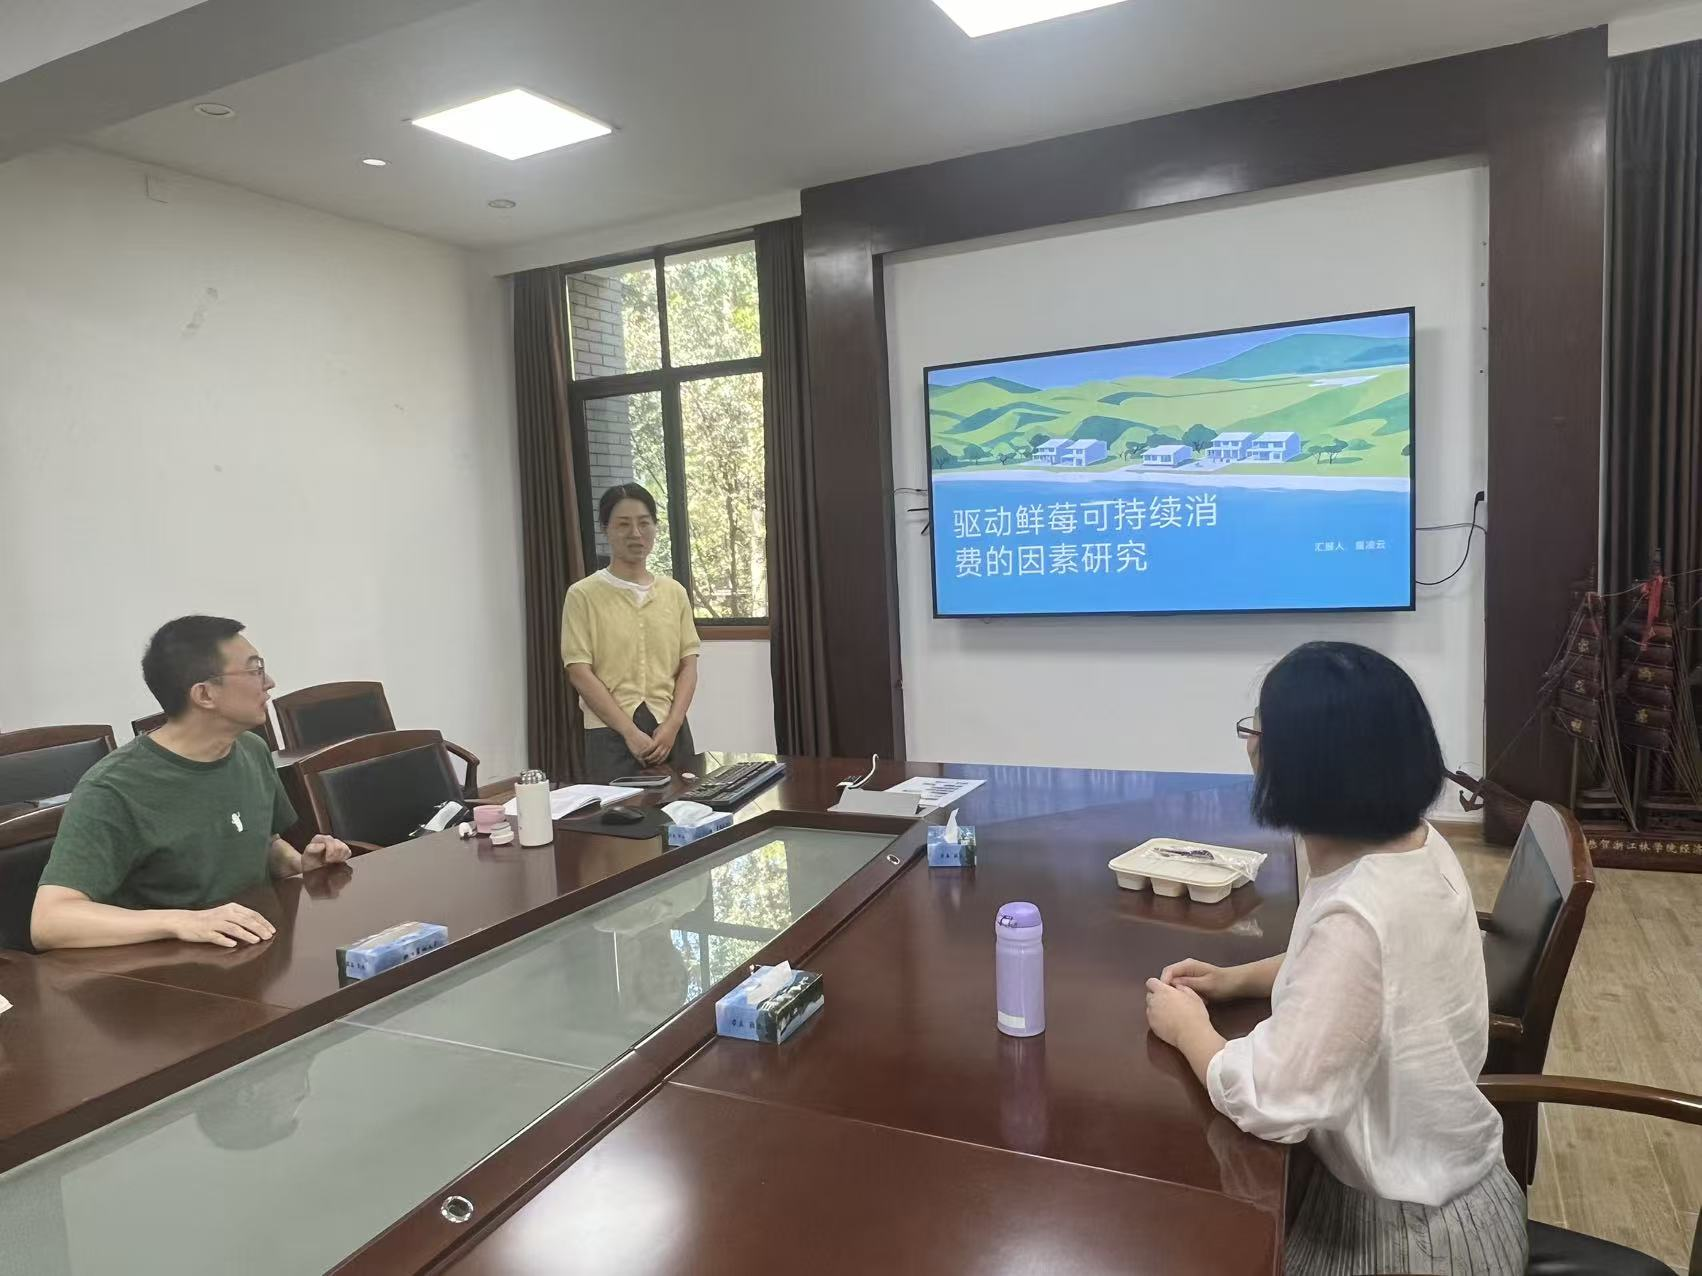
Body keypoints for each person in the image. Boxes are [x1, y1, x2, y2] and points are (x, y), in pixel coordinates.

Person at [1143, 641, 1525, 1275]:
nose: (1251, 747)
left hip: (1407, 1240)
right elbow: (1361, 981)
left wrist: (1189, 1031)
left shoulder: (1359, 916)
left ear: (1304, 765)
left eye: (1258, 733)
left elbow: (1274, 1098)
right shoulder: (1415, 846)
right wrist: (1238, 978)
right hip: (1454, 1192)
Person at [30, 616, 351, 951]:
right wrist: (181, 920)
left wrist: (300, 865)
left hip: (251, 951)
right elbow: (49, 921)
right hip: (168, 968)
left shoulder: (252, 750)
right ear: (205, 694)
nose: (269, 682)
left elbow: (264, 844)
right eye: (255, 670)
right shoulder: (112, 788)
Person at [561, 483, 701, 781]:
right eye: (623, 524)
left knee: (685, 805)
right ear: (605, 529)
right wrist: (629, 732)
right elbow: (579, 671)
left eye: (644, 523)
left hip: (669, 730)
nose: (635, 533)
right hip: (609, 733)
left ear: (655, 527)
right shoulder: (583, 595)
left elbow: (688, 665)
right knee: (618, 809)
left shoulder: (674, 592)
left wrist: (673, 725)